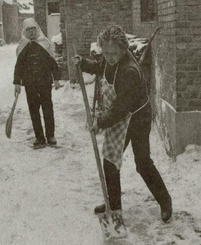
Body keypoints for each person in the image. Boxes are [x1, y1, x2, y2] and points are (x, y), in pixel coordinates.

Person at [73, 25, 172, 223]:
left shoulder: (129, 71)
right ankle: (114, 205)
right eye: (106, 52)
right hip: (122, 115)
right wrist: (83, 63)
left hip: (138, 118)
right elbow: (100, 67)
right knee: (110, 160)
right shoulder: (111, 60)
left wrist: (100, 123)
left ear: (123, 50)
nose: (109, 57)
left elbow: (120, 108)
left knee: (142, 163)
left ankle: (165, 201)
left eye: (114, 53)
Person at [14, 18, 61, 149]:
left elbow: (53, 63)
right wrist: (17, 83)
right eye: (28, 30)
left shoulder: (44, 44)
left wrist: (56, 78)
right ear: (25, 31)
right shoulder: (23, 46)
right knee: (34, 111)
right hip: (30, 85)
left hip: (45, 83)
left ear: (37, 29)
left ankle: (50, 136)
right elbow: (18, 67)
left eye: (33, 29)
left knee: (47, 109)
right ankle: (39, 137)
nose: (31, 32)